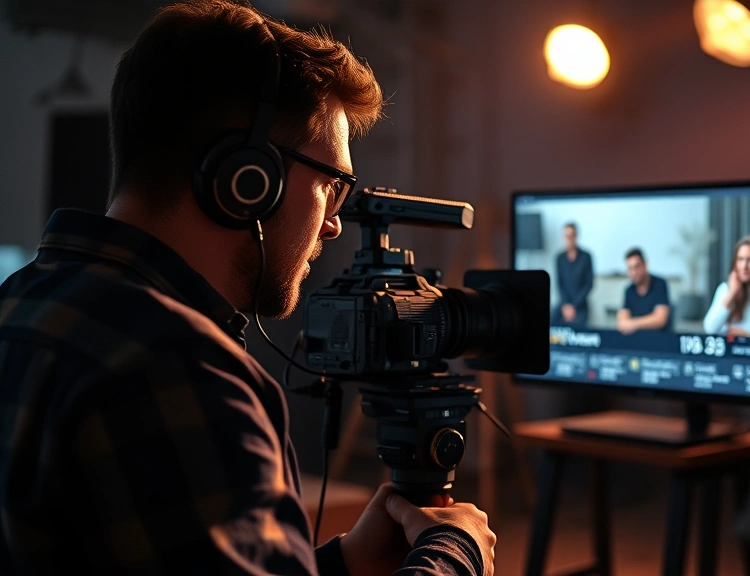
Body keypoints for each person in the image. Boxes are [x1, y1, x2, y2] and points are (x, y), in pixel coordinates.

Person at [0, 2, 495, 575]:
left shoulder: (22, 304)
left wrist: (339, 564)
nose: (334, 223)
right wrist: (452, 555)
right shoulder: (181, 373)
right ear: (248, 178)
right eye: (332, 186)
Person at [617, 248, 671, 334]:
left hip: (659, 340)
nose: (634, 272)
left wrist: (633, 324)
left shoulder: (659, 285)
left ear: (645, 265)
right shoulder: (629, 290)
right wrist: (627, 323)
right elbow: (622, 320)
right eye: (630, 269)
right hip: (635, 341)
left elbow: (660, 319)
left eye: (636, 267)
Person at [553, 222, 593, 328]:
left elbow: (589, 284)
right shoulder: (559, 258)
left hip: (580, 306)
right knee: (551, 320)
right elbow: (559, 283)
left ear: (576, 236)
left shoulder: (586, 257)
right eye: (566, 236)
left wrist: (574, 306)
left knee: (578, 329)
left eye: (571, 235)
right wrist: (565, 305)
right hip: (563, 304)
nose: (569, 239)